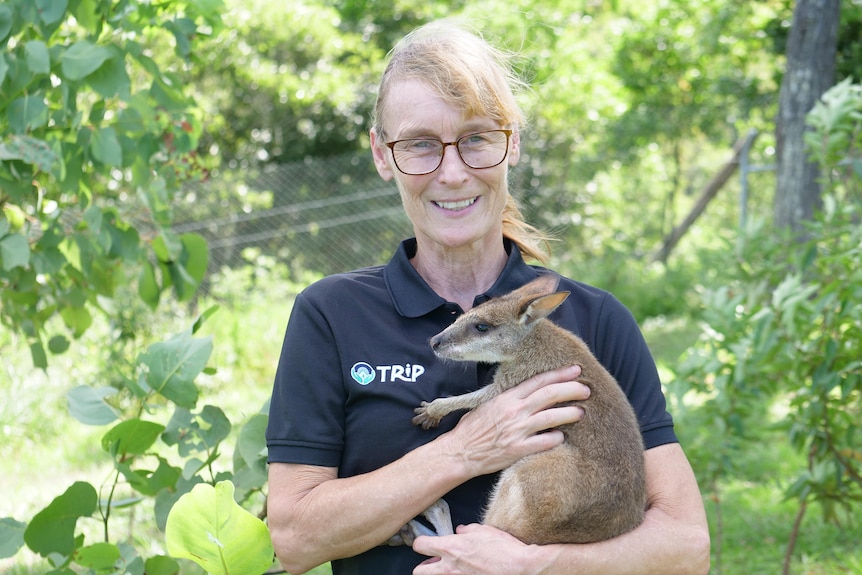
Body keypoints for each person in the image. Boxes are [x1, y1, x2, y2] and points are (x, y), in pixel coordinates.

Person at [266, 18, 710, 575]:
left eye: (476, 138)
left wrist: (530, 565)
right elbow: (295, 540)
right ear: (383, 155)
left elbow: (686, 547)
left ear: (512, 143)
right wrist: (466, 449)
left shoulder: (592, 318)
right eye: (421, 145)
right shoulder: (332, 314)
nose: (452, 173)